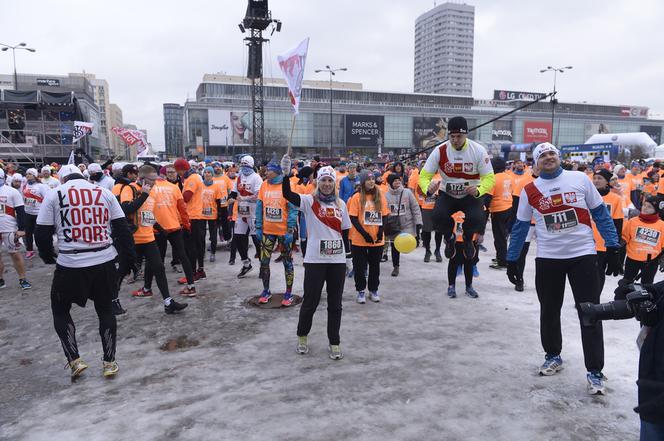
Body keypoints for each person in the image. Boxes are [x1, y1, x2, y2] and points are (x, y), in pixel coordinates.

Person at [506, 142, 621, 395]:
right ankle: (553, 355)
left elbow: (600, 213)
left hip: (583, 255)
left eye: (551, 154)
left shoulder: (579, 178)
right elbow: (521, 226)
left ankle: (595, 371)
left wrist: (613, 246)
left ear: (558, 157)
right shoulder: (529, 189)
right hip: (548, 258)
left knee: (590, 312)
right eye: (542, 156)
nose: (548, 158)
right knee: (549, 310)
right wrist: (513, 259)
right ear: (536, 163)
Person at [34, 164, 136, 378]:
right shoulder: (104, 192)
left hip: (71, 262)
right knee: (106, 310)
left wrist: (47, 256)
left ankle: (74, 360)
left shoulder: (54, 194)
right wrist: (129, 261)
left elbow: (41, 233)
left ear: (62, 179)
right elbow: (122, 229)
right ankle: (109, 362)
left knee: (61, 310)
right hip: (103, 259)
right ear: (84, 176)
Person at [281, 157, 351, 360]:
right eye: (323, 181)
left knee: (335, 304)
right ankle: (302, 336)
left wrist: (348, 258)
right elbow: (287, 194)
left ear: (334, 183)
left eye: (330, 181)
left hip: (336, 261)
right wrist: (286, 174)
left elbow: (345, 235)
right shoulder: (308, 201)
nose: (327, 184)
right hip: (315, 260)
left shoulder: (341, 204)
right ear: (317, 182)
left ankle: (334, 341)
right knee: (310, 302)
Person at [419, 116, 495, 261]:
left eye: (459, 136)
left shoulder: (478, 150)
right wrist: (427, 188)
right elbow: (424, 176)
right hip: (448, 194)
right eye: (452, 136)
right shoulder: (439, 151)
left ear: (466, 134)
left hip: (470, 195)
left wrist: (479, 190)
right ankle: (449, 238)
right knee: (437, 216)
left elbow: (490, 178)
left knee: (478, 217)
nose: (455, 140)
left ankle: (467, 238)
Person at [119, 165, 188, 313]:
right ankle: (112, 300)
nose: (155, 183)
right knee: (122, 271)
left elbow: (148, 215)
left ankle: (168, 302)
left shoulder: (152, 192)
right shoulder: (129, 189)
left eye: (156, 180)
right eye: (151, 180)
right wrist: (143, 195)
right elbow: (126, 209)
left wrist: (162, 231)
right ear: (142, 179)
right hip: (132, 240)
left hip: (149, 238)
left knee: (159, 268)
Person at [255, 161, 298, 306]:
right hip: (268, 231)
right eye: (266, 171)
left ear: (277, 172)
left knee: (287, 262)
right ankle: (266, 290)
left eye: (269, 171)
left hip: (283, 232)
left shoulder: (286, 186)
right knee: (264, 262)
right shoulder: (264, 185)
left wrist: (290, 229)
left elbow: (293, 209)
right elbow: (259, 206)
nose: (266, 173)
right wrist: (259, 226)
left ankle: (288, 293)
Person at [348, 170, 390, 304]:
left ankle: (373, 290)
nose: (371, 182)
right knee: (359, 267)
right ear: (363, 182)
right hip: (359, 239)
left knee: (375, 267)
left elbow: (385, 216)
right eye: (368, 180)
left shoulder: (381, 196)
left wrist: (380, 232)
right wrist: (364, 234)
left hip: (376, 240)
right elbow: (353, 218)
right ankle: (360, 290)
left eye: (373, 179)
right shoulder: (356, 197)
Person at [618, 196, 664, 289]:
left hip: (651, 262)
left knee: (647, 286)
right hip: (632, 260)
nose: (645, 208)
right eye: (644, 205)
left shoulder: (661, 225)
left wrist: (662, 259)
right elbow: (624, 238)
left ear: (656, 210)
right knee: (626, 283)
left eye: (649, 207)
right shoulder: (633, 221)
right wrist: (615, 252)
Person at [228, 155, 263, 278]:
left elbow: (259, 195)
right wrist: (231, 198)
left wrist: (245, 198)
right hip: (241, 213)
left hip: (254, 213)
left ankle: (263, 266)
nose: (244, 168)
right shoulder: (239, 177)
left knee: (257, 240)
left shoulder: (256, 178)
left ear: (251, 166)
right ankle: (246, 263)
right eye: (242, 165)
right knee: (238, 238)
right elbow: (233, 193)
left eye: (246, 166)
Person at [591, 169, 624, 292]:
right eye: (594, 178)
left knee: (599, 274)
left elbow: (618, 223)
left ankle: (595, 300)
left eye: (600, 178)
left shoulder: (615, 199)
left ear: (607, 182)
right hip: (587, 243)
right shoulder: (586, 196)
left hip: (603, 245)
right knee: (586, 275)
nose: (596, 181)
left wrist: (616, 247)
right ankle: (584, 299)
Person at [175, 158, 207, 281]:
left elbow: (186, 197)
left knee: (191, 246)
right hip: (195, 215)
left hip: (193, 216)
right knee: (197, 245)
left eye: (178, 171)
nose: (178, 174)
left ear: (181, 169)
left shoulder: (192, 178)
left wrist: (175, 197)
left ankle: (193, 272)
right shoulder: (192, 177)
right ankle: (199, 270)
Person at [383, 173, 421, 277]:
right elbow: (383, 210)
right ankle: (396, 266)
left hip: (407, 224)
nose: (397, 182)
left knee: (407, 243)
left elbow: (415, 207)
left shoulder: (407, 192)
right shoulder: (385, 195)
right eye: (395, 181)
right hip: (393, 225)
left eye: (399, 180)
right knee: (395, 246)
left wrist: (418, 222)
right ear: (390, 183)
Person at [0, 169, 31, 290]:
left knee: (14, 254)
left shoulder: (12, 192)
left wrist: (22, 229)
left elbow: (20, 211)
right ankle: (1, 280)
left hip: (9, 228)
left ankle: (23, 279)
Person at [487, 157, 513, 270]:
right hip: (508, 207)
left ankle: (502, 261)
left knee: (499, 237)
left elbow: (488, 198)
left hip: (498, 210)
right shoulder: (508, 177)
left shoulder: (493, 179)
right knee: (504, 235)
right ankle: (501, 256)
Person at [447, 211, 480, 298]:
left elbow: (480, 217)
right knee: (453, 262)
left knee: (469, 262)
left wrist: (481, 233)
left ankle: (469, 287)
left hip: (470, 239)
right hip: (454, 239)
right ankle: (451, 286)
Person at [22, 168, 48, 260]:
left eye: (30, 174)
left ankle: (41, 249)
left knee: (38, 234)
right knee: (28, 233)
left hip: (38, 213)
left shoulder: (41, 186)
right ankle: (29, 250)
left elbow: (47, 199)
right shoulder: (24, 185)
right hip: (27, 213)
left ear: (35, 175)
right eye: (27, 174)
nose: (28, 175)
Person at [201, 166, 223, 262]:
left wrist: (219, 214)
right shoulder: (200, 185)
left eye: (209, 172)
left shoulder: (216, 186)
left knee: (213, 236)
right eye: (205, 172)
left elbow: (218, 201)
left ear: (212, 174)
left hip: (212, 214)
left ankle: (213, 253)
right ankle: (202, 252)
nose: (207, 174)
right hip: (201, 214)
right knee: (201, 235)